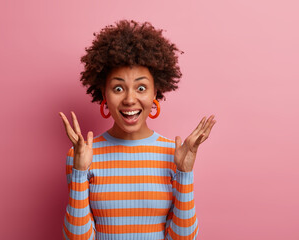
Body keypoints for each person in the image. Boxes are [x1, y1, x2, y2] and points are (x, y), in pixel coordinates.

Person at [59, 20, 216, 240]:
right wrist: (79, 171)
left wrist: (185, 173)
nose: (130, 99)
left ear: (155, 92)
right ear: (104, 93)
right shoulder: (82, 155)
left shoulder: (175, 154)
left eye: (141, 88)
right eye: (118, 88)